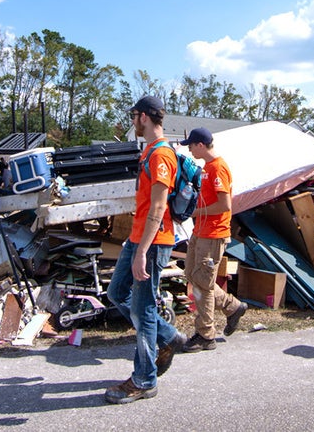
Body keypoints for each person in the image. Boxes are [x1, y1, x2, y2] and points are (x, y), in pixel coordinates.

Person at [104, 96, 187, 404]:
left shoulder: (161, 154)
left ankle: (144, 380)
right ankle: (167, 336)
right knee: (116, 293)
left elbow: (159, 205)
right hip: (139, 239)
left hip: (152, 242)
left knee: (143, 309)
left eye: (134, 116)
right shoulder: (149, 151)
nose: (132, 122)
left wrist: (142, 250)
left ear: (145, 117)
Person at [179, 127, 247, 353]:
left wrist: (196, 213)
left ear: (200, 144)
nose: (189, 149)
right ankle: (232, 307)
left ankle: (205, 334)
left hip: (214, 234)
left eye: (190, 145)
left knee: (204, 284)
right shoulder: (206, 168)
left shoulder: (218, 168)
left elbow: (225, 204)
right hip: (200, 231)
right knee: (192, 275)